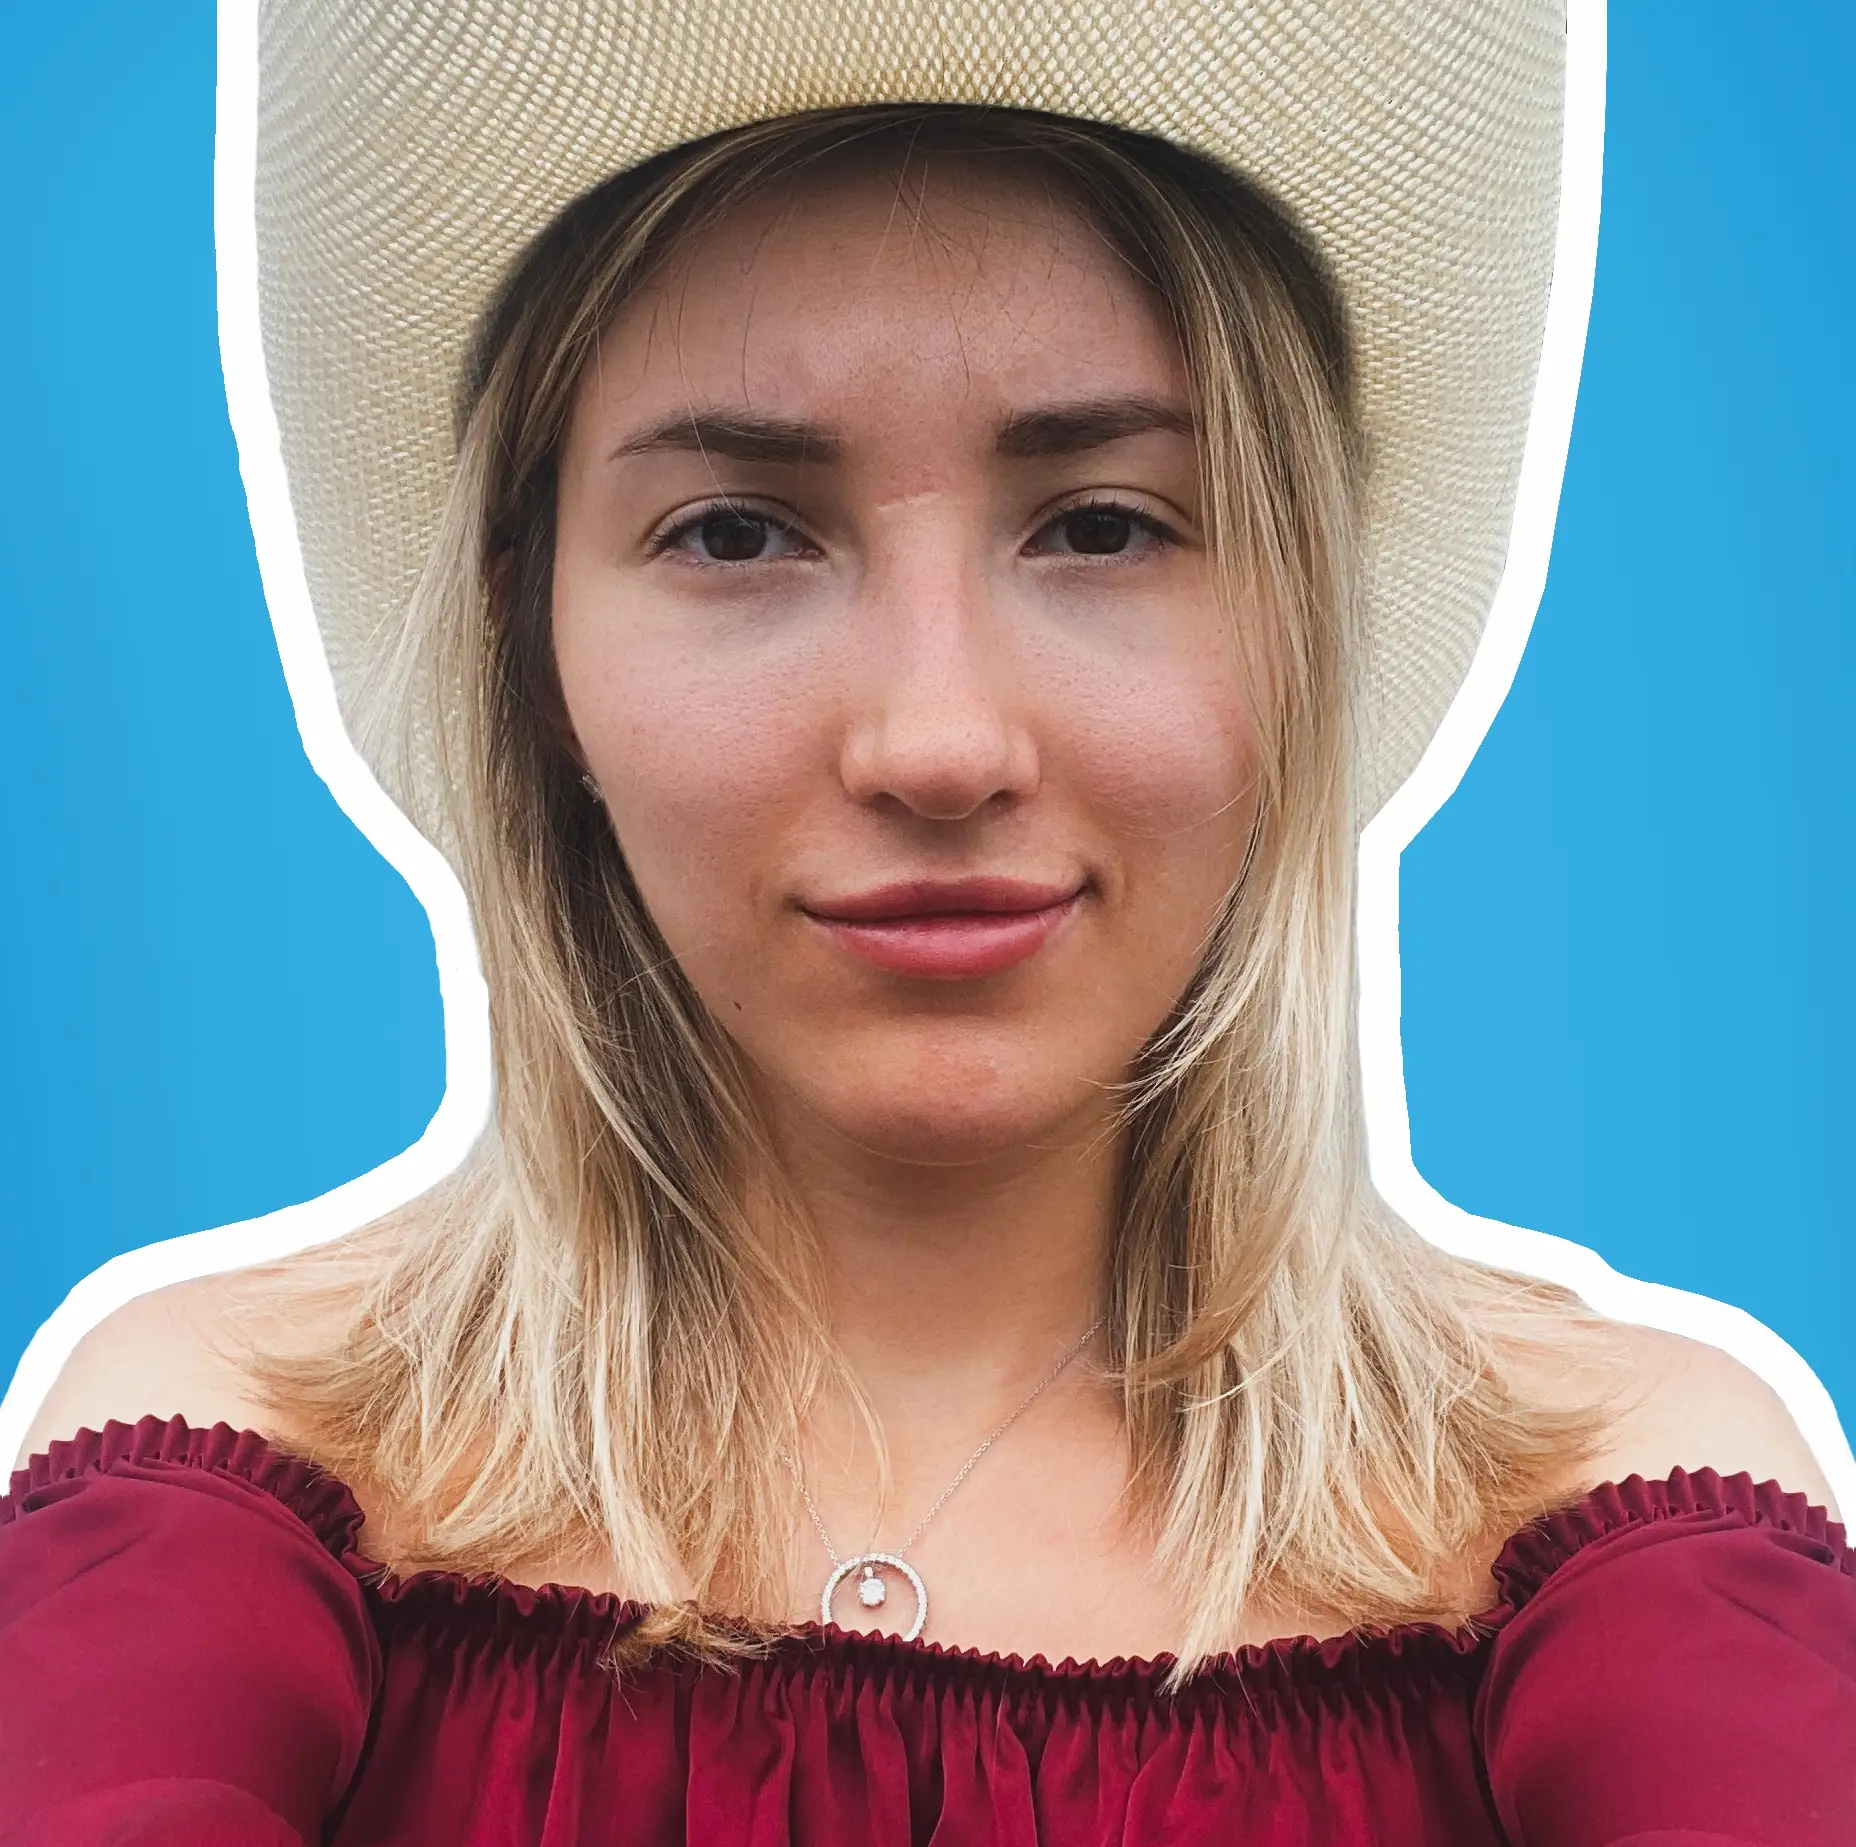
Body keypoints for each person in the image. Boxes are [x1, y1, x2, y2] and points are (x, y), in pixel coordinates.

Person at [4, 6, 1852, 1844]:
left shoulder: (1610, 1520)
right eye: (737, 534)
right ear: (530, 641)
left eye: (1106, 526)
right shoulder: (245, 1476)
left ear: (1303, 614)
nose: (941, 740)